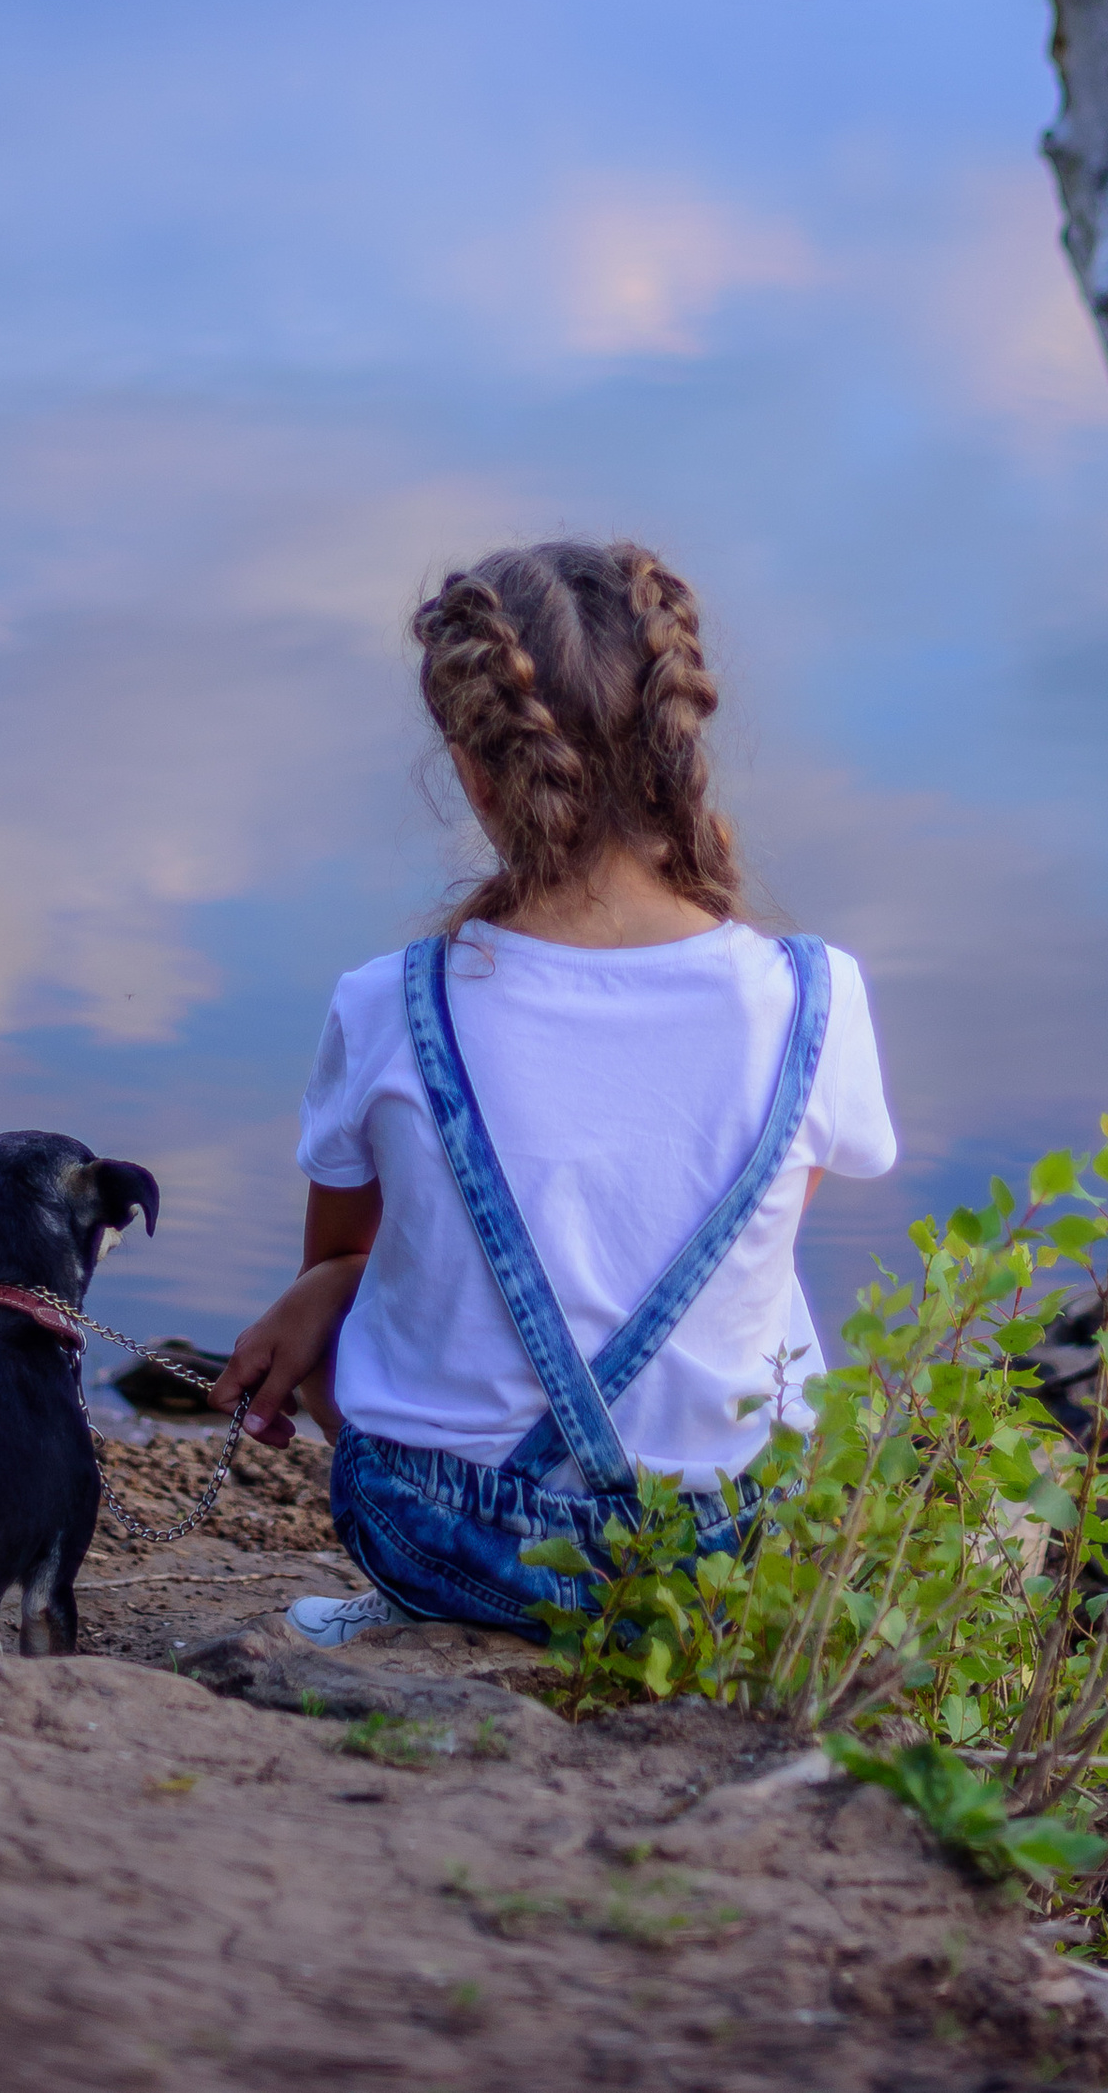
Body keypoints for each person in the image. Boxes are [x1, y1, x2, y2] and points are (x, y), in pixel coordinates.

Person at [209, 538, 898, 1647]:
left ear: (478, 774)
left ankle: (414, 1617)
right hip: (720, 1545)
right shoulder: (815, 998)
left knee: (346, 1300)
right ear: (678, 746)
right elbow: (747, 1255)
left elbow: (344, 1255)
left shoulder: (392, 1002)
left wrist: (321, 1291)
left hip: (438, 1534)